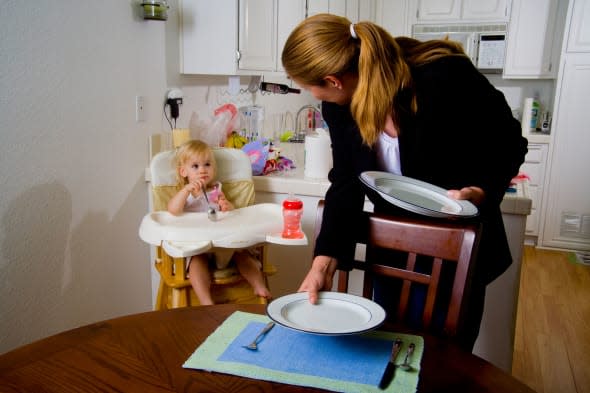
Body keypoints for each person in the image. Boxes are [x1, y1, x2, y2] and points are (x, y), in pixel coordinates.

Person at [282, 14, 528, 350]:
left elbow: (509, 141)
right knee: (387, 350)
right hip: (395, 249)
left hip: (456, 248)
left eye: (311, 88)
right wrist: (323, 261)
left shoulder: (444, 77)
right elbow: (345, 183)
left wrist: (482, 189)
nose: (315, 97)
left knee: (443, 362)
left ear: (334, 80)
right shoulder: (340, 109)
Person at [167, 140, 271, 305]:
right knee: (196, 263)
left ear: (213, 169)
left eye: (207, 164)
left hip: (223, 244)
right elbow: (173, 210)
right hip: (197, 246)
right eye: (195, 166)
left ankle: (258, 286)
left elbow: (231, 212)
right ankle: (206, 301)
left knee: (243, 255)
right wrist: (186, 190)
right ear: (183, 171)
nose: (202, 170)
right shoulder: (186, 194)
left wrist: (226, 206)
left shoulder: (216, 189)